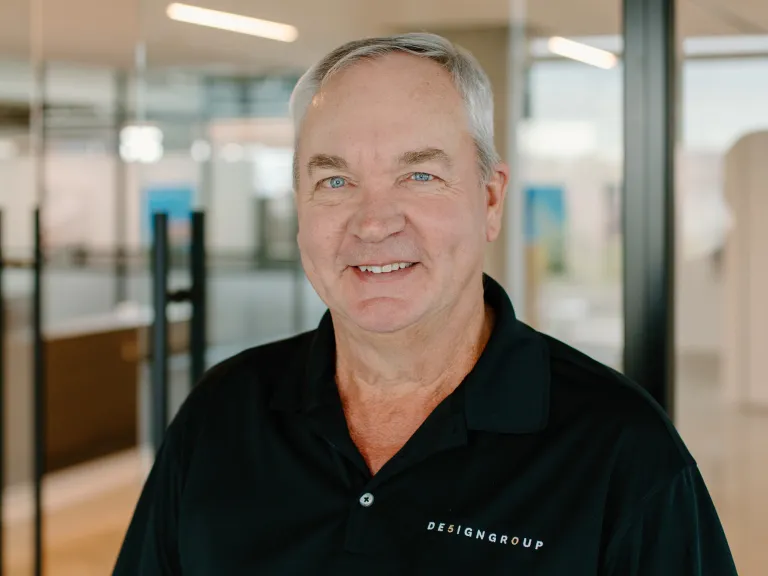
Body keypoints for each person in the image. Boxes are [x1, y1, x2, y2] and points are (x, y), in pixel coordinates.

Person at [113, 33, 738, 575]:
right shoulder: (221, 415)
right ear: (299, 209)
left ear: (491, 201)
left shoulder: (621, 449)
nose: (375, 223)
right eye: (335, 180)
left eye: (420, 176)